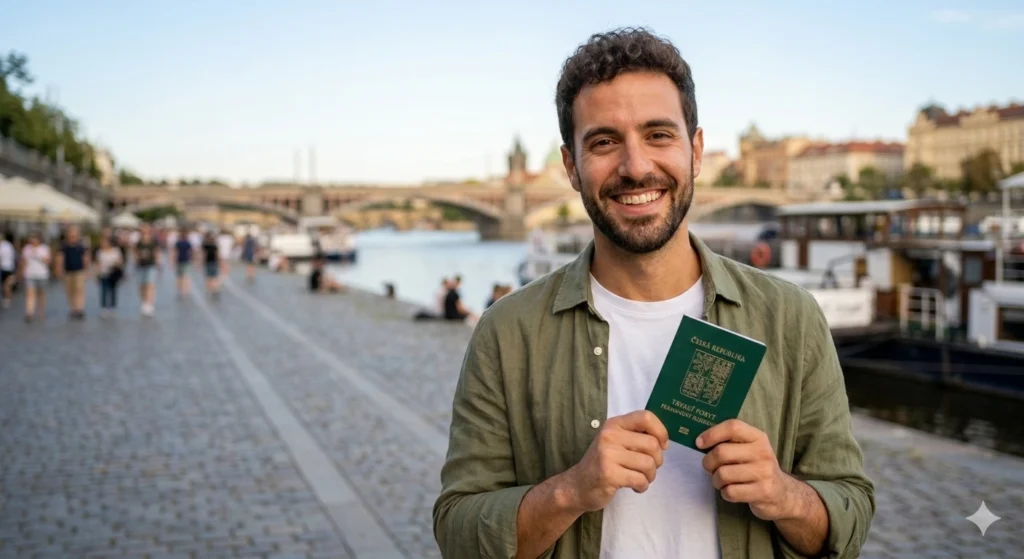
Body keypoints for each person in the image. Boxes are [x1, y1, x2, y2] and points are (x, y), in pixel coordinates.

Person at [433, 28, 874, 559]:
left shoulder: (790, 317)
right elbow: (458, 531)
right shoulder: (507, 333)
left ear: (696, 149)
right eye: (603, 142)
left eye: (658, 135)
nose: (636, 166)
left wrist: (783, 495)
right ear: (571, 166)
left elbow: (850, 511)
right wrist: (570, 490)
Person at [57, 225, 90, 319]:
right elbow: (60, 259)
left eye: (75, 234)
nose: (73, 236)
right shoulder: (64, 246)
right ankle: (73, 308)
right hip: (68, 272)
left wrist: (87, 270)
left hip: (79, 271)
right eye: (71, 234)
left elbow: (86, 258)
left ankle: (79, 309)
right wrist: (59, 270)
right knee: (70, 291)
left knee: (79, 290)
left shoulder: (81, 246)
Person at [19, 232, 50, 322]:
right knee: (30, 294)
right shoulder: (26, 248)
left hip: (42, 274)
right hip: (29, 274)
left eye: (34, 238)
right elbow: (23, 261)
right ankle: (29, 312)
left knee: (41, 294)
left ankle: (41, 311)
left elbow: (48, 261)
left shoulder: (44, 248)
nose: (33, 240)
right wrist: (21, 271)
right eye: (31, 238)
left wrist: (37, 254)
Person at [134, 225, 160, 316]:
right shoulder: (138, 243)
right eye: (142, 232)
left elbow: (157, 253)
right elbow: (135, 254)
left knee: (150, 285)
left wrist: (157, 264)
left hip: (151, 265)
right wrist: (138, 257)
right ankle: (144, 302)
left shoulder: (153, 242)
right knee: (142, 286)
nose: (144, 233)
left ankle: (150, 303)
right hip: (141, 266)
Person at [95, 235, 124, 318]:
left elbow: (120, 262)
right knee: (103, 291)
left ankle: (112, 307)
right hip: (104, 274)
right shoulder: (100, 252)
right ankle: (104, 308)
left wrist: (115, 264)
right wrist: (97, 275)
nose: (103, 244)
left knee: (113, 291)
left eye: (104, 242)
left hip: (113, 274)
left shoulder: (116, 251)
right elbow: (98, 264)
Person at [173, 228, 193, 297]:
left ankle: (181, 291)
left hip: (180, 260)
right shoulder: (187, 242)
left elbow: (175, 252)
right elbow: (191, 252)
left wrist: (173, 261)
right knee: (186, 276)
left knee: (180, 277)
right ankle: (186, 291)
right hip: (186, 260)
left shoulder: (178, 242)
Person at [201, 232, 220, 298]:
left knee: (208, 278)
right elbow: (217, 255)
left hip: (208, 263)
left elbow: (204, 255)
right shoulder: (215, 246)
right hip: (214, 263)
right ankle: (215, 290)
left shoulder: (205, 245)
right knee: (214, 277)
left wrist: (202, 262)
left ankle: (209, 291)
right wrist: (219, 262)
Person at [0, 232, 15, 308]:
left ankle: (7, 299)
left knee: (5, 285)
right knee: (7, 285)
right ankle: (8, 298)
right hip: (10, 267)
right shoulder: (9, 245)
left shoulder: (3, 246)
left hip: (5, 268)